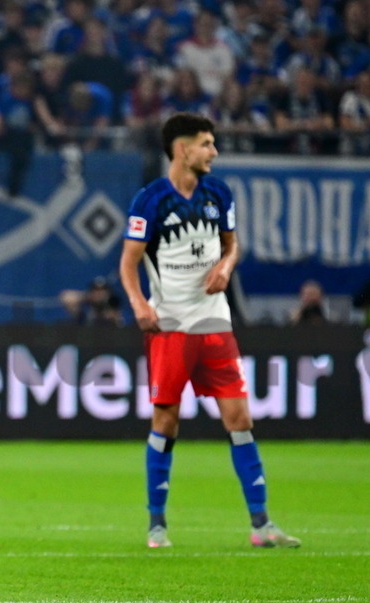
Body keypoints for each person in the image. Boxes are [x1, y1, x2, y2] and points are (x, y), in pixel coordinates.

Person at [119, 113, 300, 550]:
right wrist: (140, 304)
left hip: (215, 319)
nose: (213, 152)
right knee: (167, 419)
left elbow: (231, 244)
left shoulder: (219, 193)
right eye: (206, 143)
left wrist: (225, 264)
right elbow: (128, 263)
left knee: (239, 418)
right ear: (182, 149)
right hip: (170, 323)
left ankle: (261, 525)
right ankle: (157, 525)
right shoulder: (150, 200)